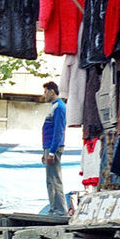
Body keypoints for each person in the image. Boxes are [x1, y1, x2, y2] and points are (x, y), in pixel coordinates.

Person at [41, 81, 68, 216]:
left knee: (54, 179)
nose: (44, 95)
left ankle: (60, 210)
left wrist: (51, 152)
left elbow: (58, 131)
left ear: (52, 91)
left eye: (45, 92)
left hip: (54, 148)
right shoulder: (54, 106)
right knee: (50, 180)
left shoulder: (59, 107)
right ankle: (53, 208)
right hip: (49, 147)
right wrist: (45, 151)